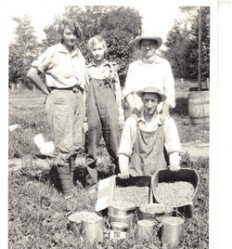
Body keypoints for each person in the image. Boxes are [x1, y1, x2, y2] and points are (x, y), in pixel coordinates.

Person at [27, 19, 89, 199]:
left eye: (75, 34)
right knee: (64, 145)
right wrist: (48, 92)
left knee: (76, 143)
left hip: (78, 98)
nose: (72, 37)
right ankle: (68, 193)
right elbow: (31, 73)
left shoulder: (78, 54)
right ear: (62, 34)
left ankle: (69, 185)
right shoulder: (53, 51)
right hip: (61, 97)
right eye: (68, 33)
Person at [85, 35, 124, 185]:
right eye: (94, 49)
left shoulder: (112, 69)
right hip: (92, 109)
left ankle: (120, 178)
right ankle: (91, 182)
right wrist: (84, 119)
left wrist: (120, 115)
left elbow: (118, 93)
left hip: (110, 109)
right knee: (91, 146)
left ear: (105, 49)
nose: (97, 52)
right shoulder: (87, 70)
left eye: (100, 48)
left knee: (115, 144)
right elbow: (84, 94)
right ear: (90, 51)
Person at [118, 86, 181, 178]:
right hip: (136, 174)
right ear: (142, 101)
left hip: (160, 174)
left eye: (153, 101)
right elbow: (124, 150)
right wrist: (124, 170)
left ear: (159, 102)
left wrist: (174, 164)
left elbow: (174, 148)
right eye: (146, 100)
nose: (149, 105)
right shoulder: (132, 122)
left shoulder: (166, 122)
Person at [123, 34, 175, 118]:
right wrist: (133, 108)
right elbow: (127, 90)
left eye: (150, 44)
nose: (147, 47)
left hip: (159, 112)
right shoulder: (133, 66)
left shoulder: (164, 64)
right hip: (138, 112)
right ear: (140, 47)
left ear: (155, 46)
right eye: (144, 45)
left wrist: (165, 109)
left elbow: (169, 89)